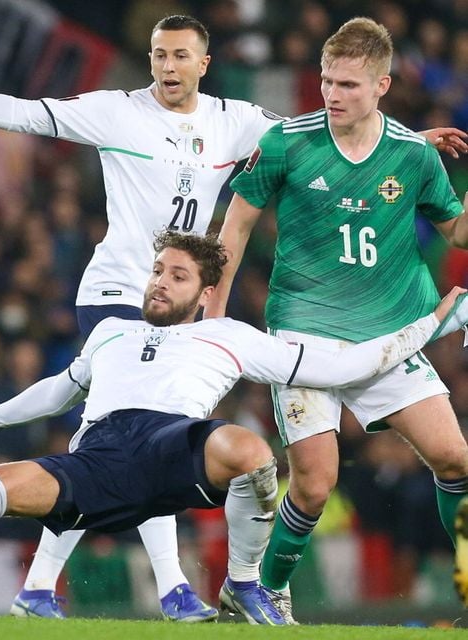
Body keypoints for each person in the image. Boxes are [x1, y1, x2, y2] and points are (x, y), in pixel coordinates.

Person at [0, 14, 466, 620]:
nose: (167, 67)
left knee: (154, 440)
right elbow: (29, 112)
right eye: (158, 55)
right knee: (136, 437)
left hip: (178, 293)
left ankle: (72, 589)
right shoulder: (116, 111)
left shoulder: (234, 121)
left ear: (203, 64)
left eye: (180, 56)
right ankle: (149, 586)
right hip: (118, 293)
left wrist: (413, 139)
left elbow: (333, 130)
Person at [0, 229, 467, 625]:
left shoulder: (232, 337)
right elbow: (58, 390)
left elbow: (351, 362)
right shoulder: (114, 331)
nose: (158, 283)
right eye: (156, 270)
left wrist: (431, 322)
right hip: (100, 454)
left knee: (250, 448)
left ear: (204, 293)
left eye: (176, 275)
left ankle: (242, 582)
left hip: (174, 445)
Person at [204, 17, 468, 622]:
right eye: (326, 81)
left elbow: (457, 231)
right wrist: (215, 313)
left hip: (389, 335)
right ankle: (264, 590)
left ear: (381, 85)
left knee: (455, 459)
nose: (331, 94)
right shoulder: (289, 142)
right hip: (305, 335)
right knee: (316, 484)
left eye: (347, 84)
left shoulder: (412, 153)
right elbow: (237, 224)